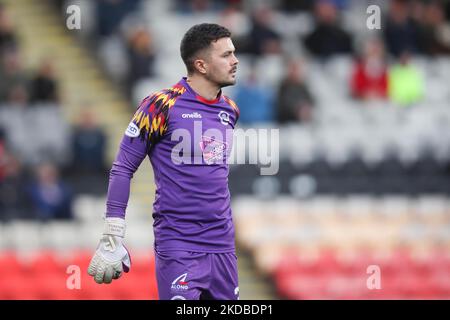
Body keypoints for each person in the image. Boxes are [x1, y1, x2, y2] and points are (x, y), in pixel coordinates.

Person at [87, 23, 240, 300]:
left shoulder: (229, 110)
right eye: (226, 55)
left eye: (234, 53)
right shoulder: (161, 105)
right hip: (179, 244)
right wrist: (113, 234)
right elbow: (122, 168)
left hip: (223, 246)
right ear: (201, 65)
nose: (235, 60)